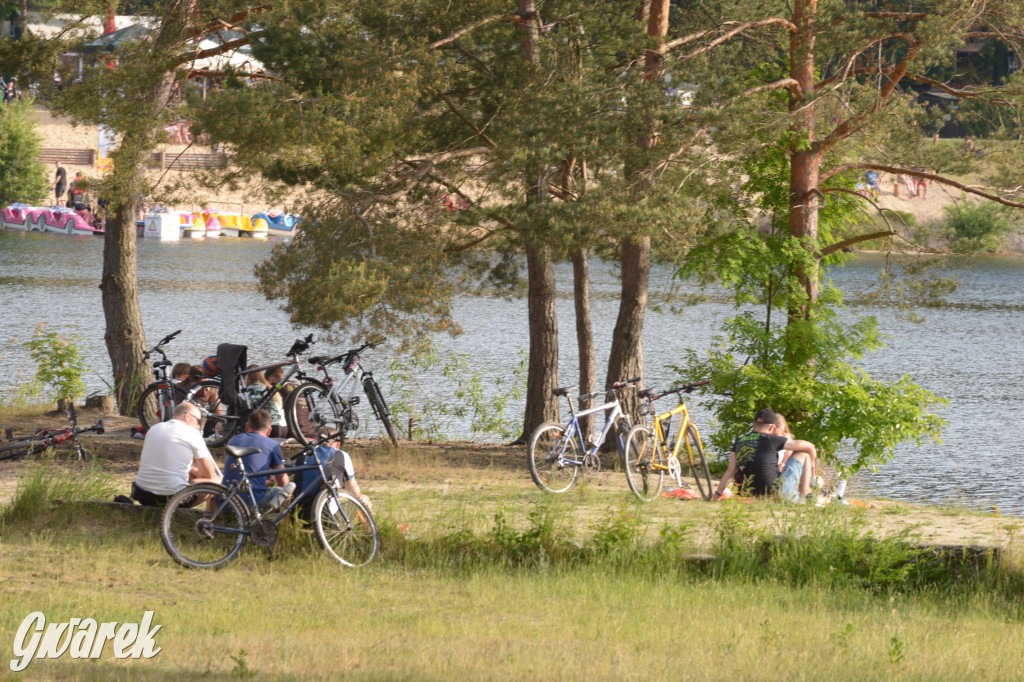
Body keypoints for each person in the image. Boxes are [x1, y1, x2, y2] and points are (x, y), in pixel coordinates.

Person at [713, 408, 818, 503]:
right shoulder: (771, 439)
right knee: (803, 453)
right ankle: (805, 492)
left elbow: (730, 470)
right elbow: (810, 447)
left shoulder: (739, 441)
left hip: (747, 492)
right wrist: (811, 463)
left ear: (754, 424)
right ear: (772, 427)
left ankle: (802, 493)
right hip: (773, 493)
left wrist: (717, 494)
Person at [131, 402, 221, 506]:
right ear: (188, 417)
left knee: (190, 473)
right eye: (198, 421)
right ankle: (211, 519)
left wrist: (192, 471)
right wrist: (199, 473)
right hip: (171, 498)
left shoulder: (154, 428)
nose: (198, 426)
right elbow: (208, 474)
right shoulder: (192, 433)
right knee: (217, 480)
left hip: (142, 494)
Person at [222, 409, 289, 509]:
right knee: (286, 491)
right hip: (251, 502)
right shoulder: (272, 444)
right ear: (269, 431)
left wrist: (261, 482)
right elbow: (282, 481)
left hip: (225, 501)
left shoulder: (233, 440)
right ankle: (282, 523)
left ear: (247, 426)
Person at [295, 428, 372, 513]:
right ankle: (369, 525)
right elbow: (352, 486)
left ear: (316, 440)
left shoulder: (303, 456)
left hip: (300, 511)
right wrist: (361, 497)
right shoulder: (342, 455)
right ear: (336, 442)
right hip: (328, 514)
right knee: (364, 499)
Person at [263, 365, 289, 439]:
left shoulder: (275, 388)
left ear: (270, 379)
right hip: (308, 429)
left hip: (288, 429)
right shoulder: (296, 385)